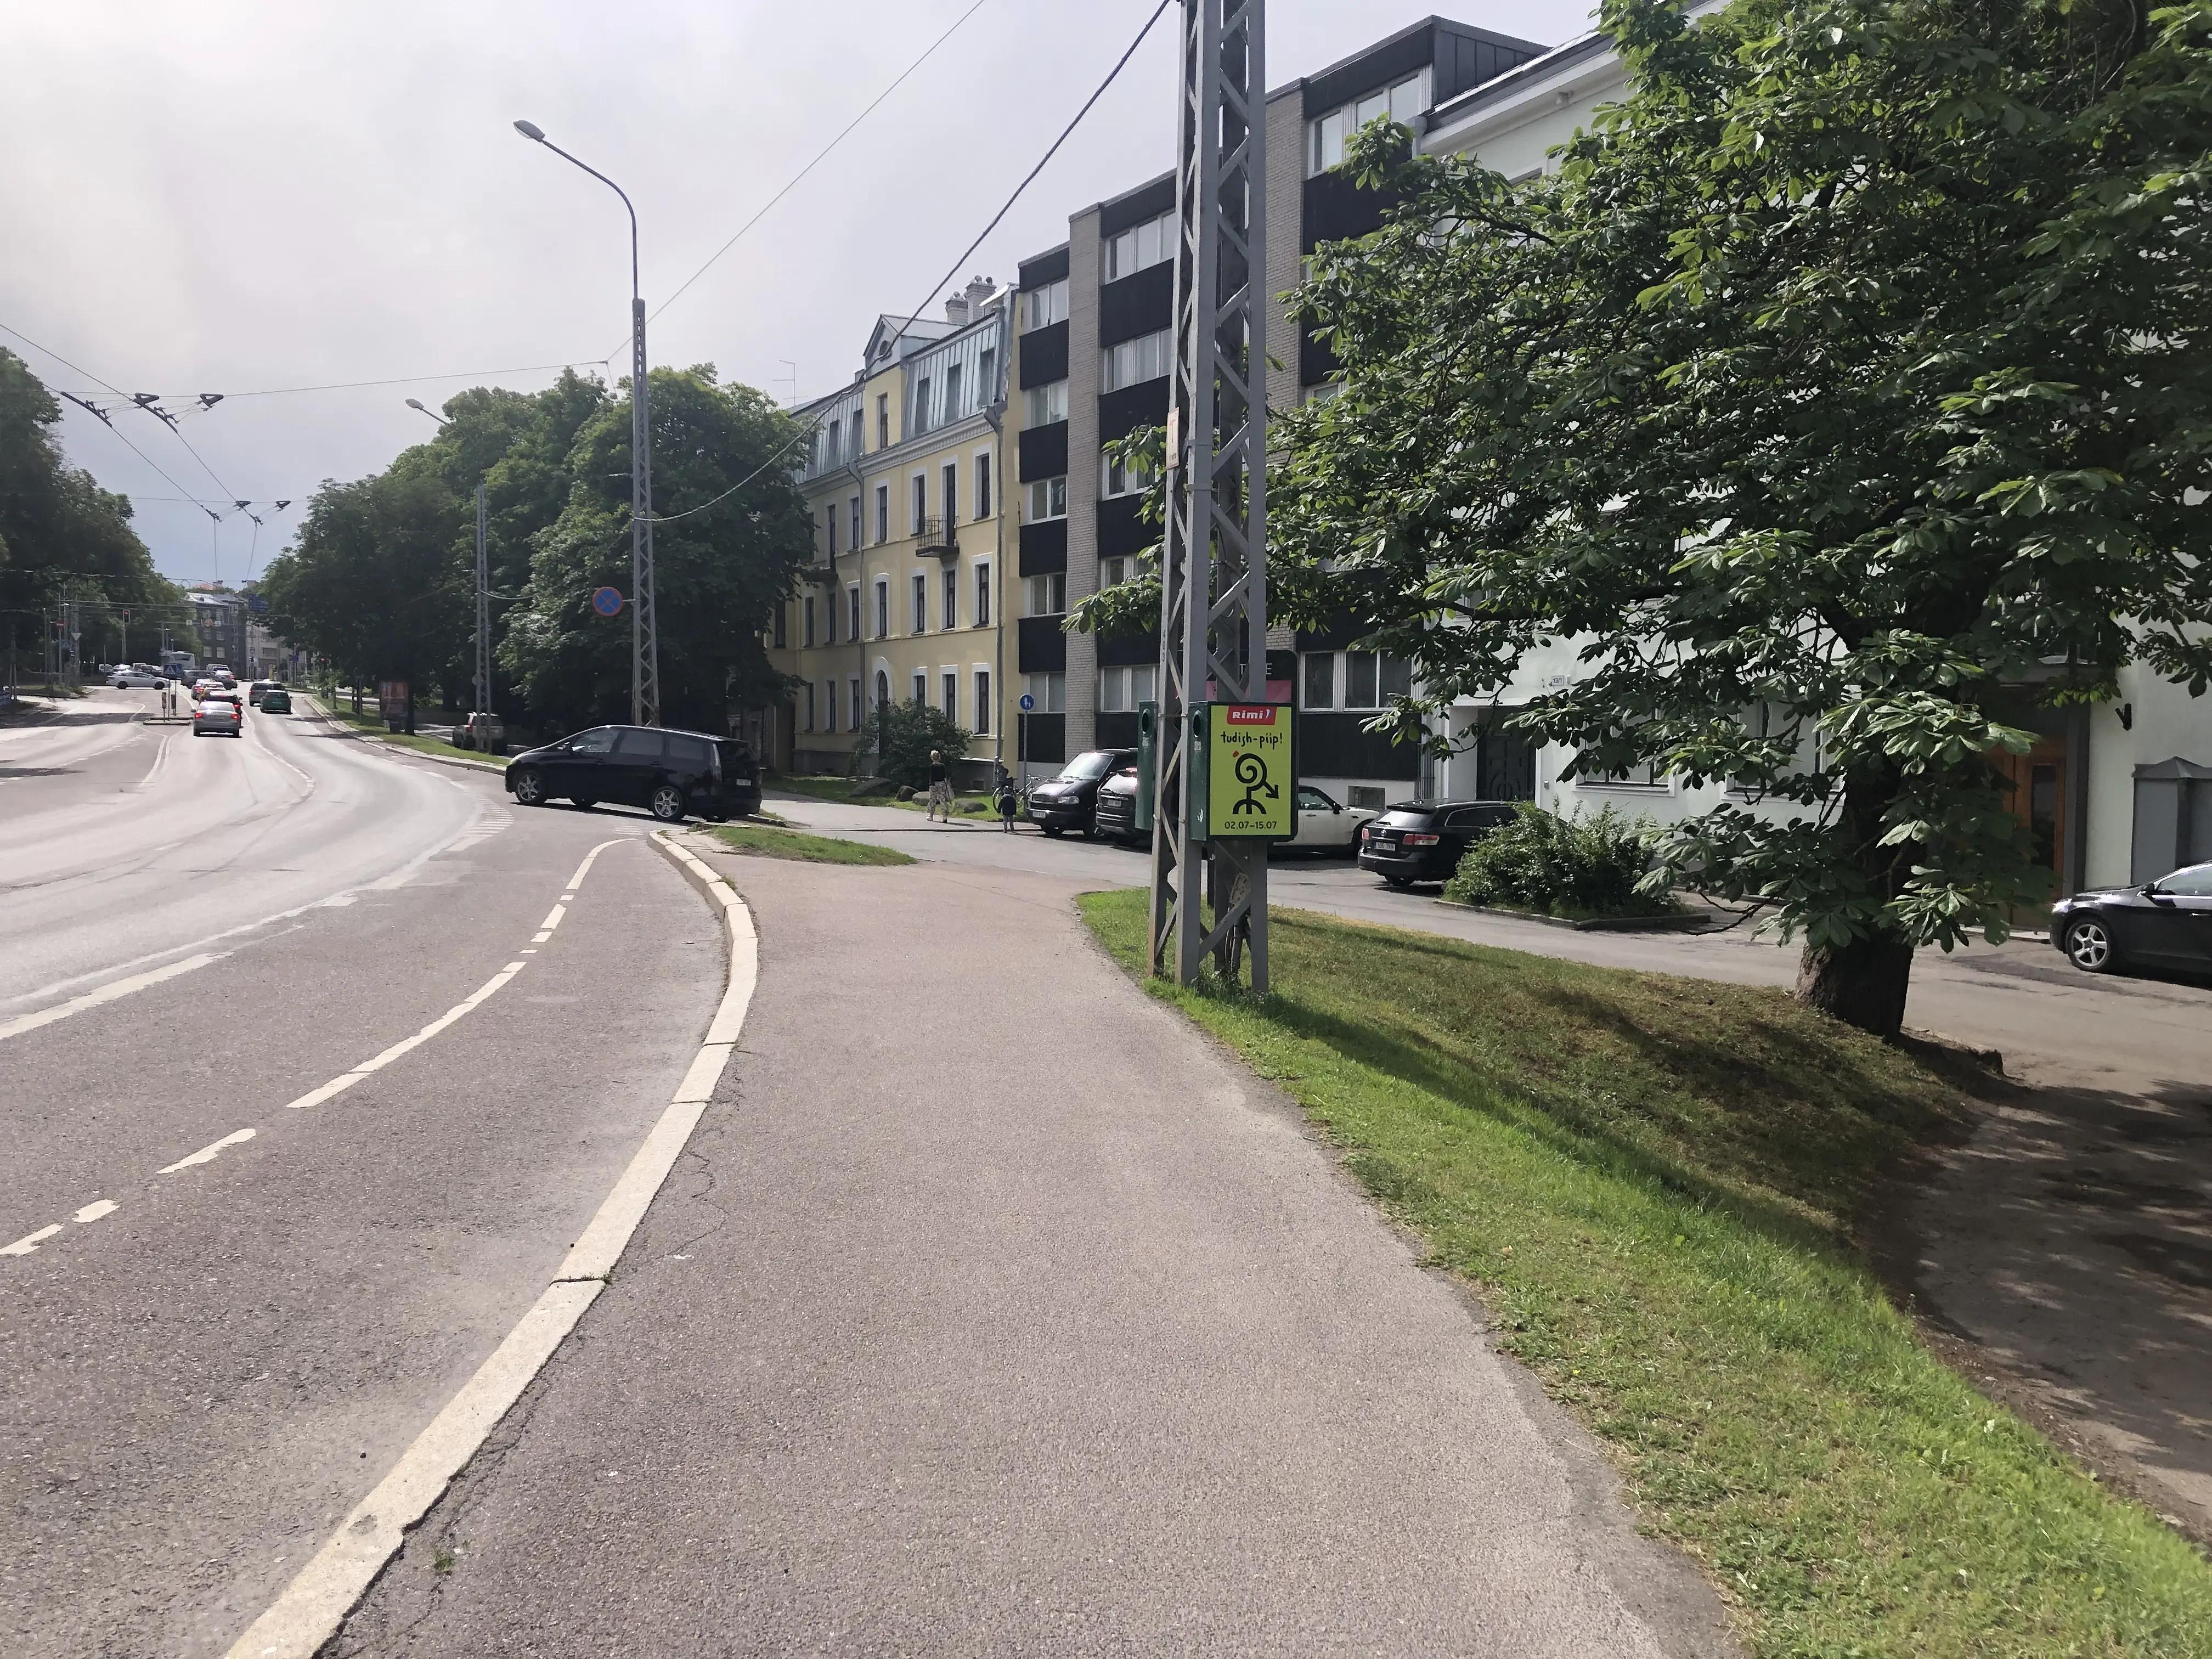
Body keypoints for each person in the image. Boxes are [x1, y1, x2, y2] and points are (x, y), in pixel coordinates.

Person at [926, 749, 952, 821]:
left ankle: (931, 816)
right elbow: (945, 776)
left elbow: (932, 776)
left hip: (934, 784)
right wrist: (947, 784)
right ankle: (945, 817)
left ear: (932, 757)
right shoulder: (943, 766)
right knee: (943, 800)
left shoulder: (932, 766)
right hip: (942, 784)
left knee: (933, 800)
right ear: (939, 757)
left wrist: (931, 784)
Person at [994, 769, 1018, 833]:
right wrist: (1015, 812)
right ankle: (1012, 829)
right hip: (1011, 812)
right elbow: (1015, 806)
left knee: (1005, 821)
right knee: (1011, 820)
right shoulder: (1012, 799)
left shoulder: (1003, 798)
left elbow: (1000, 805)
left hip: (1005, 812)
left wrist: (999, 810)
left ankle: (1005, 829)